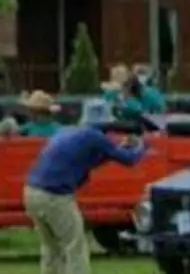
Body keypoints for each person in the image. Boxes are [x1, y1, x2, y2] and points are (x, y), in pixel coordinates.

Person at [23, 99, 145, 274]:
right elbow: (130, 159)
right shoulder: (96, 137)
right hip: (55, 195)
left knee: (51, 248)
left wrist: (118, 147)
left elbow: (87, 163)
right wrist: (142, 145)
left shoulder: (68, 131)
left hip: (31, 192)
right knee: (75, 246)